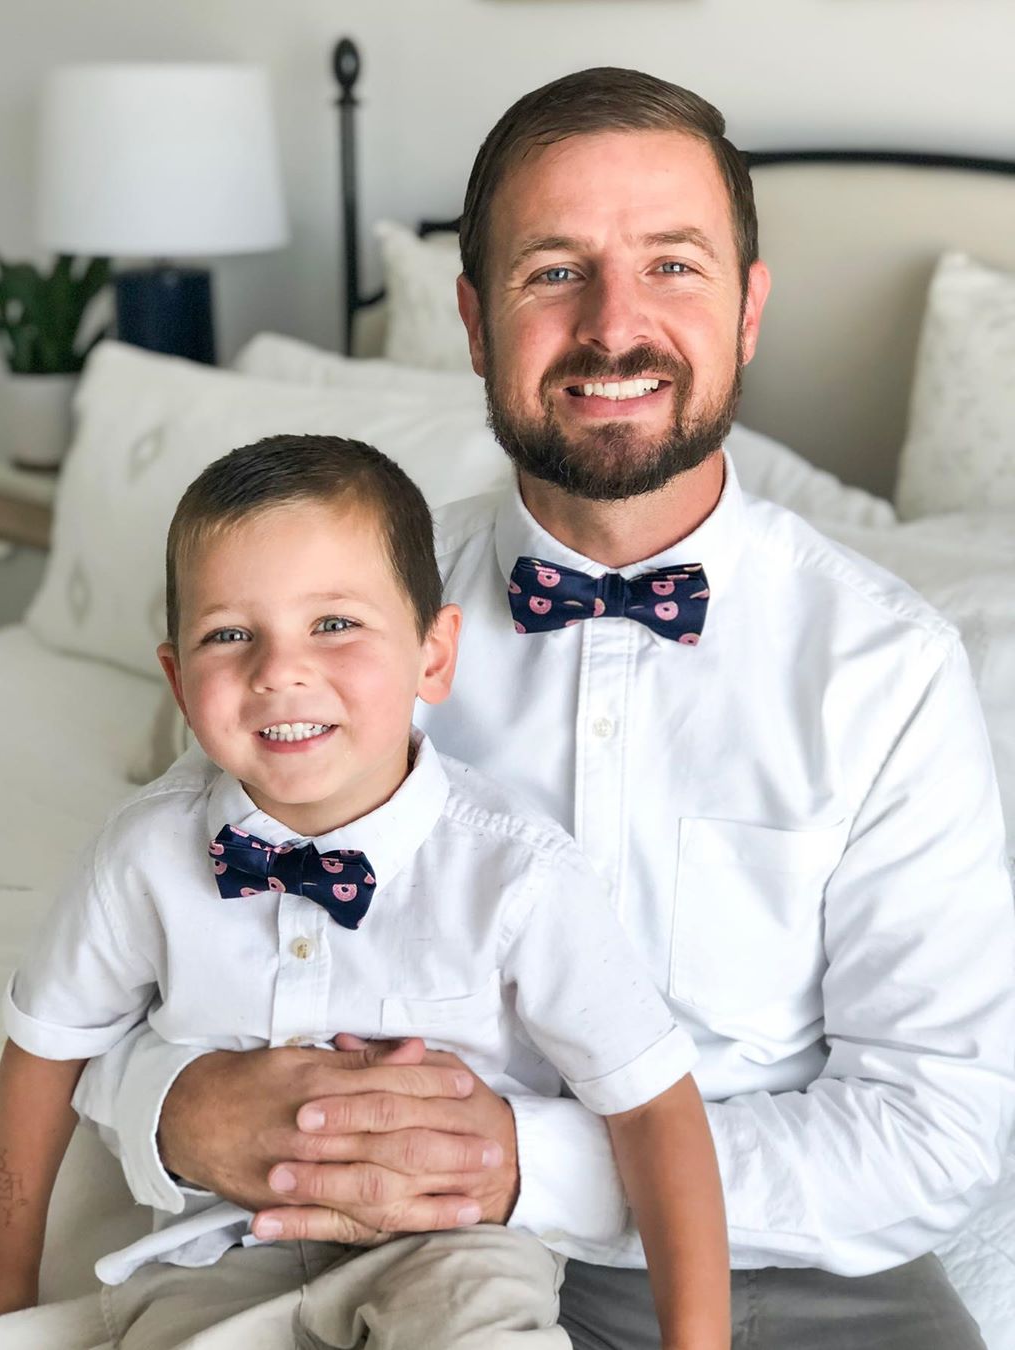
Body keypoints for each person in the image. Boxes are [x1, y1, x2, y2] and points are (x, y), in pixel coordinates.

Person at [70, 68, 1014, 1350]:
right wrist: (178, 1111)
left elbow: (932, 1136)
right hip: (359, 1257)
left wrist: (526, 1163)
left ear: (748, 310)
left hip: (781, 1270)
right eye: (552, 271)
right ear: (472, 320)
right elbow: (131, 961)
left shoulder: (889, 673)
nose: (613, 326)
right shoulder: (323, 617)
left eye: (673, 265)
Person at [0, 434, 731, 1349]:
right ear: (179, 684)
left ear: (434, 655)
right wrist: (3, 1263)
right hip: (216, 1251)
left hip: (456, 1249)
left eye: (335, 625)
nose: (279, 671)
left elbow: (655, 1107)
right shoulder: (141, 857)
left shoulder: (517, 873)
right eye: (229, 635)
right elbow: (45, 1047)